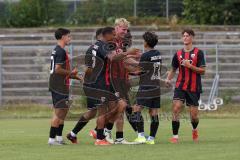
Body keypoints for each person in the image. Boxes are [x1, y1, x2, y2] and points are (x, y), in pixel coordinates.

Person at [165, 29, 206, 143]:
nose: (185, 38)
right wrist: (168, 79)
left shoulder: (199, 53)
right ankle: (175, 136)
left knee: (193, 116)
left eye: (187, 36)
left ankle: (194, 129)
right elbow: (173, 69)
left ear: (192, 38)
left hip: (194, 87)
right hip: (180, 85)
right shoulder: (178, 54)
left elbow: (203, 71)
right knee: (176, 108)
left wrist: (190, 66)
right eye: (183, 36)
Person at [66, 28, 104, 144]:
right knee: (107, 108)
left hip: (93, 84)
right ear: (101, 36)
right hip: (95, 84)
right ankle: (99, 136)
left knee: (92, 111)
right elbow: (89, 68)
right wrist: (85, 78)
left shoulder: (98, 48)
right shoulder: (97, 48)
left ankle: (72, 134)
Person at [48, 28, 82, 145]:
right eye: (69, 36)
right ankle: (52, 140)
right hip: (58, 86)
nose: (70, 38)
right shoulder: (60, 51)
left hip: (60, 85)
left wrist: (77, 77)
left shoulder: (58, 50)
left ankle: (59, 138)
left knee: (63, 112)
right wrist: (71, 73)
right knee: (58, 112)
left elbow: (62, 71)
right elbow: (58, 69)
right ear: (63, 37)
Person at [132, 31, 162, 145]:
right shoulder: (157, 53)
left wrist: (129, 72)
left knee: (136, 108)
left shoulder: (145, 55)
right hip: (156, 86)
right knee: (153, 112)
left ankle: (141, 136)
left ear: (146, 42)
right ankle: (151, 138)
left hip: (146, 86)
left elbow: (139, 71)